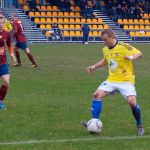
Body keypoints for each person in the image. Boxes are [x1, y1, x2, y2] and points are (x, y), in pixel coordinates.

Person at [81, 29, 144, 136]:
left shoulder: (123, 46)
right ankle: (94, 122)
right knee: (96, 95)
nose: (104, 42)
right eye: (102, 40)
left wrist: (131, 57)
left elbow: (139, 53)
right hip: (112, 80)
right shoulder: (105, 49)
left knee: (132, 102)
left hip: (126, 80)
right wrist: (94, 66)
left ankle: (139, 125)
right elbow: (106, 60)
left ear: (112, 37)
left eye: (105, 40)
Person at [0, 17, 12, 109]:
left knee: (6, 82)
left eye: (2, 22)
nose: (0, 24)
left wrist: (11, 53)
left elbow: (9, 44)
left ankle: (0, 101)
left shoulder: (6, 33)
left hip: (3, 62)